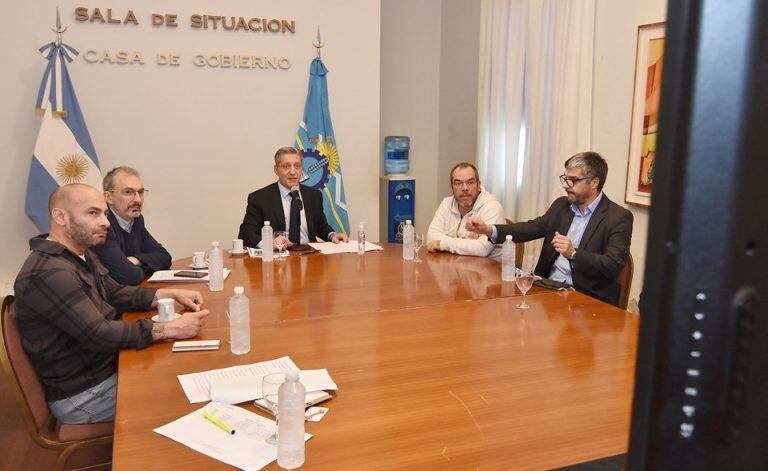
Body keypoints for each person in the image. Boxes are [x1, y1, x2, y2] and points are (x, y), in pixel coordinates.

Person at [13, 184, 210, 424]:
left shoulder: (79, 254)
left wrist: (168, 293)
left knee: (185, 372)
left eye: (105, 214)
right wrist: (168, 329)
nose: (106, 222)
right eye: (93, 213)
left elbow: (115, 293)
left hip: (105, 368)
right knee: (184, 394)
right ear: (60, 217)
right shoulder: (49, 272)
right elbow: (100, 333)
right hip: (85, 395)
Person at [466, 151, 633, 306]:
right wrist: (489, 230)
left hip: (587, 299)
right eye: (564, 178)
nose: (565, 185)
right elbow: (531, 228)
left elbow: (612, 264)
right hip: (548, 290)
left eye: (573, 180)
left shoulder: (618, 217)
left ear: (594, 182)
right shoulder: (562, 206)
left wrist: (574, 254)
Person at [238, 146, 349, 248]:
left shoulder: (313, 195)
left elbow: (321, 225)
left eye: (297, 166)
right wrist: (269, 244)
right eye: (286, 166)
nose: (292, 172)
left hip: (309, 256)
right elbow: (246, 233)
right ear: (276, 170)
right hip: (279, 259)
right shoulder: (260, 198)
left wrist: (332, 235)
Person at [91, 166, 171, 285]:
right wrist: (146, 263)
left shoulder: (137, 219)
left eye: (140, 192)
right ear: (108, 198)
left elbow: (165, 257)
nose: (138, 200)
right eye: (128, 192)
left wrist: (136, 260)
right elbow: (129, 276)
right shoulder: (102, 225)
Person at [426, 162, 506, 259]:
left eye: (470, 182)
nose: (464, 188)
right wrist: (468, 245)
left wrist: (443, 244)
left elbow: (482, 249)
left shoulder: (492, 207)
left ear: (478, 185)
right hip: (457, 266)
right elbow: (431, 237)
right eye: (458, 183)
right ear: (451, 187)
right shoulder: (446, 203)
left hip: (489, 270)